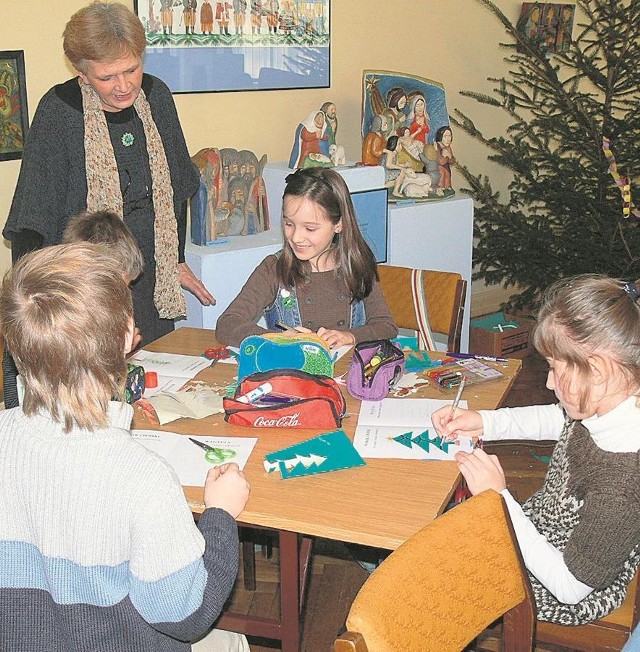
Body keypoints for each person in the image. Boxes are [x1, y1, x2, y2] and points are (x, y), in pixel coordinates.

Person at [0, 243, 251, 651]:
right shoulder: (141, 476)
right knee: (232, 642)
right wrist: (220, 515)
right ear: (126, 340)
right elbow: (186, 615)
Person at [2, 1, 215, 359]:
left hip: (148, 273)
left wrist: (175, 259)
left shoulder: (156, 96)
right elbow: (32, 217)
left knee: (154, 378)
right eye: (106, 77)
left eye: (131, 70)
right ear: (81, 72)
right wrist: (32, 302)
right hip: (78, 281)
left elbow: (176, 186)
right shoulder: (59, 111)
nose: (123, 87)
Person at [432, 274, 640, 626]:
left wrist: (499, 499)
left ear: (599, 370)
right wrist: (484, 422)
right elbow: (558, 420)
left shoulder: (622, 484)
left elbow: (570, 587)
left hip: (565, 585)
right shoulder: (609, 404)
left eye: (554, 369)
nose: (547, 382)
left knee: (439, 582)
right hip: (544, 529)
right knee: (445, 543)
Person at [216, 167, 398, 348]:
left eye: (310, 228)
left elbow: (385, 326)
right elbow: (227, 323)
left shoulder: (357, 265)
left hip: (346, 373)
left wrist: (349, 336)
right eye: (288, 223)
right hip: (291, 373)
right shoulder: (274, 269)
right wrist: (276, 339)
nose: (296, 237)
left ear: (339, 224)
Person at [435, 125, 456, 194]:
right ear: (440, 137)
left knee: (447, 174)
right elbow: (440, 162)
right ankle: (440, 188)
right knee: (442, 173)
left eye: (450, 136)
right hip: (437, 168)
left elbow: (452, 162)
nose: (448, 139)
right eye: (445, 136)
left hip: (446, 167)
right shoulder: (436, 146)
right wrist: (444, 156)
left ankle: (447, 187)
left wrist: (449, 156)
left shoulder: (448, 147)